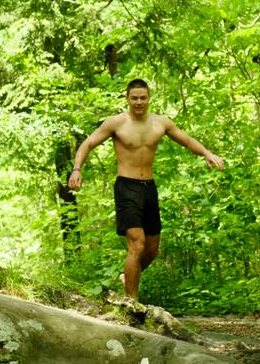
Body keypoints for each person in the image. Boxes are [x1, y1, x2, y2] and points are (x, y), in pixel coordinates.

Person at [67, 79, 224, 301]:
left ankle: (128, 276)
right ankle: (132, 301)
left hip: (149, 188)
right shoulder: (116, 123)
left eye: (143, 98)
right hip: (126, 187)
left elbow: (187, 141)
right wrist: (76, 170)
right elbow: (88, 143)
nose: (139, 102)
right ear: (127, 99)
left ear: (149, 98)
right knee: (137, 243)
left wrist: (207, 153)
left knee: (151, 249)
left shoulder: (161, 123)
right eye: (134, 98)